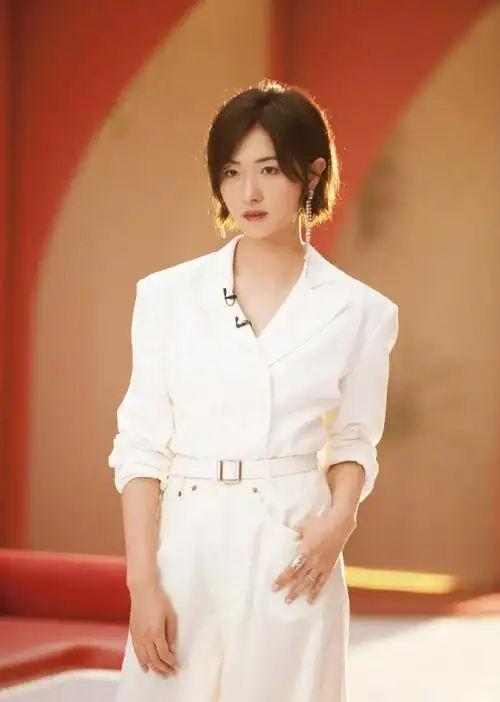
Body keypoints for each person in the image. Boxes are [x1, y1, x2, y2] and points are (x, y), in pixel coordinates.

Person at [108, 80, 398, 702]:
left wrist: (340, 520)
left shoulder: (361, 312)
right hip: (187, 545)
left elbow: (355, 438)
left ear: (311, 173)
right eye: (232, 172)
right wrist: (142, 584)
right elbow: (140, 447)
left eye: (269, 169)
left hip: (292, 551)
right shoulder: (166, 297)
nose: (249, 193)